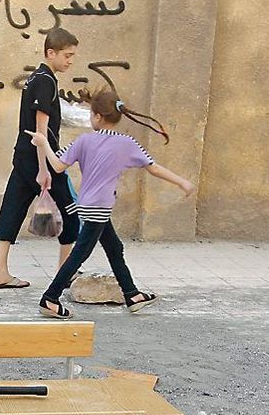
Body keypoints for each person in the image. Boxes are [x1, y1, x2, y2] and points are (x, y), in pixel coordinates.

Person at [26, 89, 195, 319]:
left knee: (114, 248)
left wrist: (43, 143)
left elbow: (56, 166)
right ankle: (50, 299)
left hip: (88, 205)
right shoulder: (127, 143)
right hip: (100, 207)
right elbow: (153, 167)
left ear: (96, 116)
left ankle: (131, 294)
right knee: (79, 254)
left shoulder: (84, 140)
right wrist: (182, 182)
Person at [0, 27, 81, 289]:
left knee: (12, 209)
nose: (70, 60)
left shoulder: (35, 78)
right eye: (67, 55)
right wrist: (44, 169)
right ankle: (65, 271)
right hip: (41, 160)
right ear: (50, 53)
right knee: (71, 213)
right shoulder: (45, 81)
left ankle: (0, 273)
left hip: (23, 157)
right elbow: (40, 130)